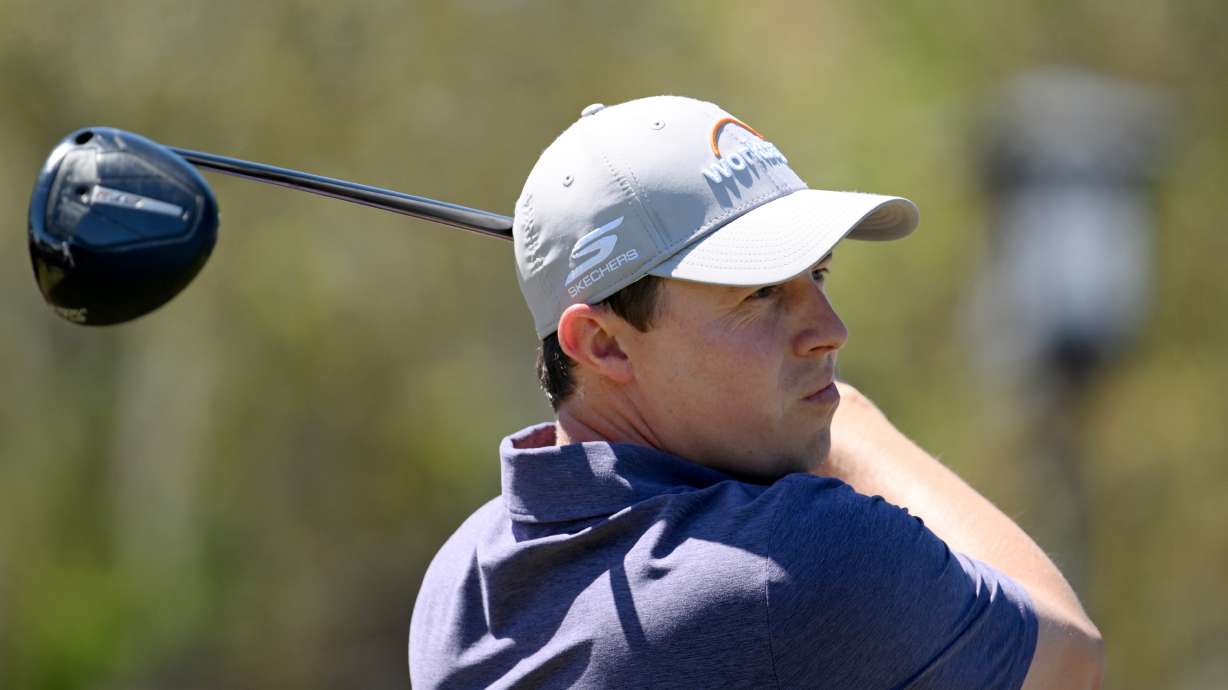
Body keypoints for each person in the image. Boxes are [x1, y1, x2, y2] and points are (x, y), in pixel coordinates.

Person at [409, 96, 1103, 689]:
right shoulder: (797, 561)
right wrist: (857, 426)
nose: (830, 331)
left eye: (818, 278)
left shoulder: (459, 579)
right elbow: (1071, 656)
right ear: (604, 344)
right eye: (763, 293)